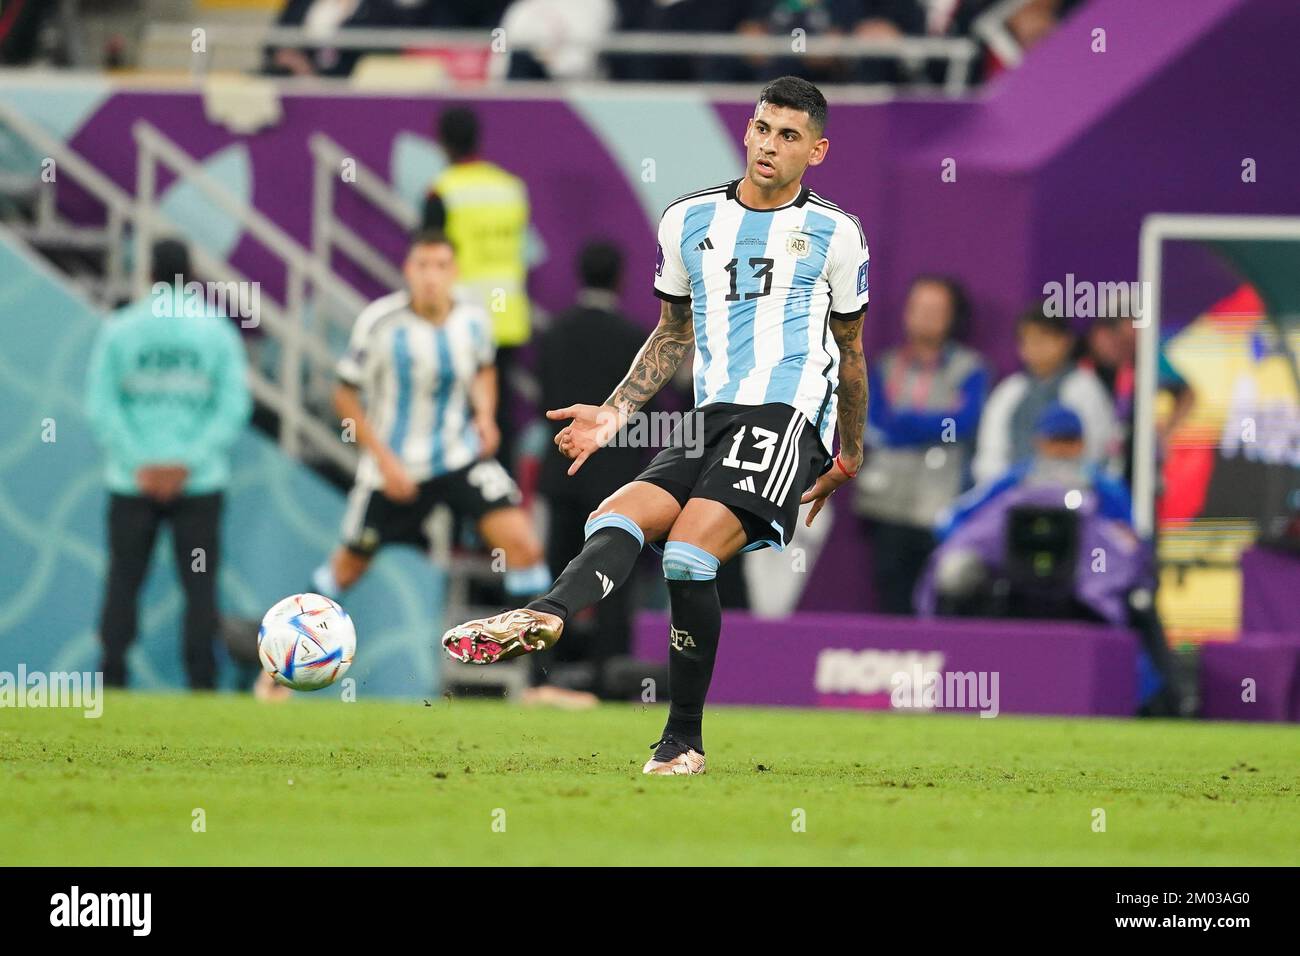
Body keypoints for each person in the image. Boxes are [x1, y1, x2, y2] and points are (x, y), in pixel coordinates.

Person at [441, 76, 871, 775]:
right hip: (710, 415)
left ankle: (682, 741)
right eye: (763, 128)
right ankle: (548, 615)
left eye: (789, 136)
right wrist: (615, 412)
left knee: (687, 556)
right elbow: (672, 333)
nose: (769, 144)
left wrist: (849, 452)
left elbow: (850, 353)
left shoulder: (835, 233)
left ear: (816, 150)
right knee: (616, 514)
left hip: (787, 414)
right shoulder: (688, 220)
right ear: (748, 129)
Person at [291, 230, 549, 693]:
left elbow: (485, 368)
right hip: (395, 467)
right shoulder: (381, 322)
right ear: (408, 271)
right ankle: (282, 667)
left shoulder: (472, 320)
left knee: (523, 544)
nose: (431, 277)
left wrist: (486, 416)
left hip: (457, 455)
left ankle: (531, 678)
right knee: (347, 568)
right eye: (422, 266)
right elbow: (343, 393)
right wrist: (385, 463)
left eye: (440, 266)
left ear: (454, 272)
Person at [85, 239, 252, 690]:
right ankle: (202, 683)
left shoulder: (121, 328)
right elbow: (233, 407)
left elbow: (101, 406)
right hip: (198, 485)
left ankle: (111, 678)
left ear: (150, 272)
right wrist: (185, 464)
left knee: (124, 579)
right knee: (199, 586)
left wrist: (142, 463)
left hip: (131, 482)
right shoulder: (216, 330)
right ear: (192, 274)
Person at [535, 240, 648, 694]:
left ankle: (542, 674)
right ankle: (608, 680)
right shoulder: (634, 338)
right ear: (620, 279)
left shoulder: (554, 333)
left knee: (554, 574)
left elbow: (546, 403)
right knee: (612, 578)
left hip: (561, 474)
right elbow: (647, 405)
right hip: (615, 483)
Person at [854, 274, 987, 613]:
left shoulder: (970, 369)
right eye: (919, 308)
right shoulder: (885, 365)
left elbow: (963, 425)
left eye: (935, 309)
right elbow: (877, 426)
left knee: (941, 601)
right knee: (892, 602)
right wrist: (936, 420)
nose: (925, 316)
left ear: (952, 317)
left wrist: (908, 422)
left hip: (941, 507)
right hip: (887, 506)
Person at [422, 107, 531, 470]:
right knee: (500, 419)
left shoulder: (442, 192)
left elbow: (428, 256)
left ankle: (462, 514)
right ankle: (502, 499)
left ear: (442, 143)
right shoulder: (510, 188)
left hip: (461, 323)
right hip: (506, 321)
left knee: (459, 419)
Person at [973, 305, 1116, 485]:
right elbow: (991, 452)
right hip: (1015, 497)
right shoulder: (1009, 391)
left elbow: (1099, 447)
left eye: (1045, 339)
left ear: (1066, 341)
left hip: (1073, 494)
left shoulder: (1085, 387)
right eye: (1030, 340)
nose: (1038, 347)